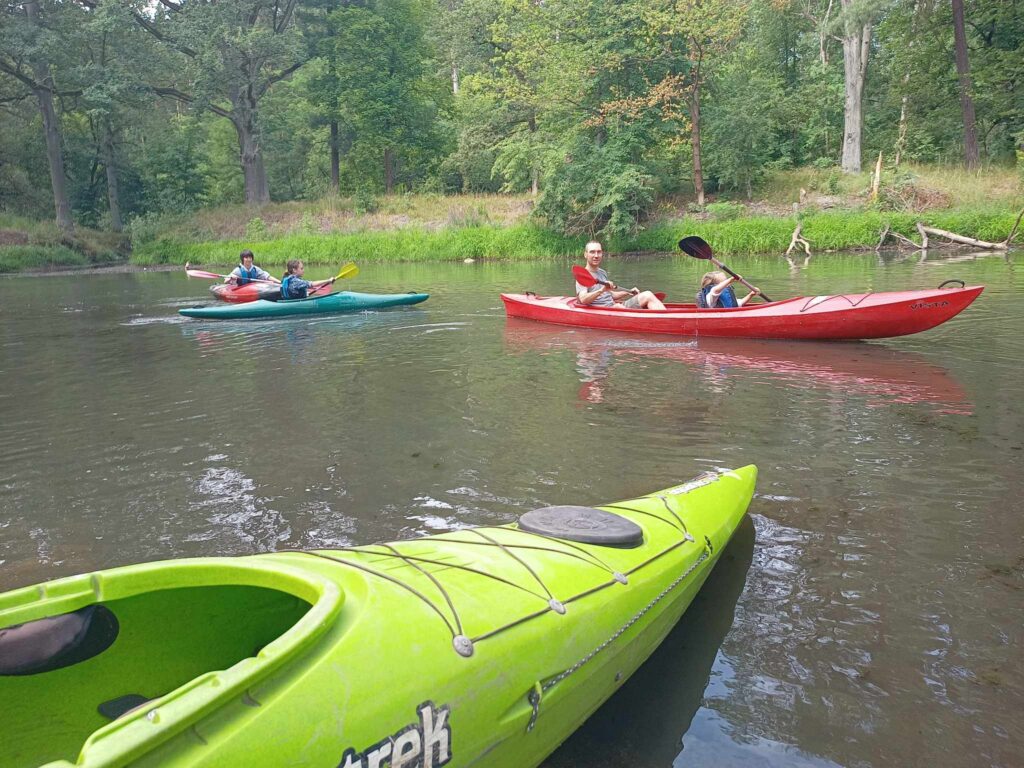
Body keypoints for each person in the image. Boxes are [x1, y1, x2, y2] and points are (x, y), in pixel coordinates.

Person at [575, 241, 666, 310]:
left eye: (599, 252)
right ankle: (667, 320)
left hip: (615, 307)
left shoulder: (602, 272)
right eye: (592, 252)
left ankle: (666, 318)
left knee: (647, 294)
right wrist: (601, 291)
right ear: (585, 255)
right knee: (647, 296)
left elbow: (611, 295)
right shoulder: (583, 276)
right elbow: (583, 299)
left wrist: (628, 292)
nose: (596, 255)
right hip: (605, 311)